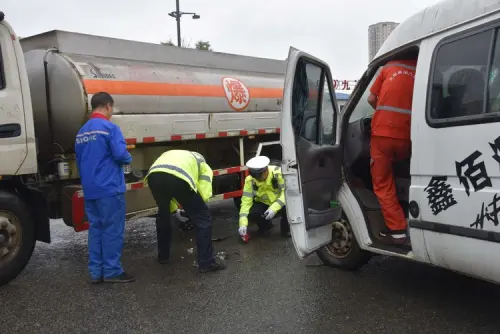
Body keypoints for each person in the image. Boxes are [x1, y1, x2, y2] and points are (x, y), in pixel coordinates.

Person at [75, 92, 134, 283]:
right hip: (109, 187)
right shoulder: (110, 128)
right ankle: (112, 271)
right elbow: (120, 155)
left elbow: (81, 159)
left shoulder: (82, 132)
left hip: (90, 189)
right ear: (108, 106)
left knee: (96, 229)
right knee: (112, 229)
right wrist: (128, 155)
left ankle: (96, 272)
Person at [144, 150, 226, 273]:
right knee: (203, 219)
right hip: (178, 177)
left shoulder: (177, 155)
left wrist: (174, 211)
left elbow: (168, 194)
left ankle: (163, 256)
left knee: (163, 215)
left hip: (154, 176)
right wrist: (193, 210)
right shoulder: (203, 165)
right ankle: (206, 263)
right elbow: (204, 191)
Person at [367, 58, 417, 244]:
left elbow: (371, 98)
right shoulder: (421, 67)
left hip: (383, 134)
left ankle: (397, 231)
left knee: (383, 182)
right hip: (410, 134)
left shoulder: (388, 67)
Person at [238, 156, 290, 239]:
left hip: (280, 202)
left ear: (265, 171)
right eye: (255, 176)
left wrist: (274, 208)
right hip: (264, 203)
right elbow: (245, 202)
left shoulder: (278, 173)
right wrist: (242, 224)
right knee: (253, 213)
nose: (257, 179)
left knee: (291, 206)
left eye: (259, 176)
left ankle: (287, 230)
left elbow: (287, 193)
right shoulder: (250, 180)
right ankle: (266, 226)